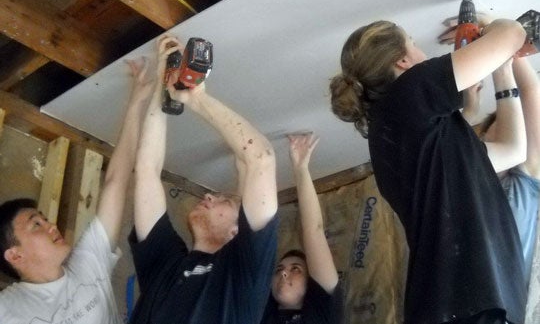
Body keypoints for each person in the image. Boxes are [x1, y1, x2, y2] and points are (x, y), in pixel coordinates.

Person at [329, 16, 528, 324]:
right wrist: (490, 26)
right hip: (468, 305)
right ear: (404, 61)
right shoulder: (406, 94)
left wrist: (502, 70)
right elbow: (513, 34)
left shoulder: (409, 133)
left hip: (462, 306)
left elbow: (514, 150)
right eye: (414, 43)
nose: (422, 53)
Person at [128, 35, 278, 324]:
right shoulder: (167, 263)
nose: (209, 196)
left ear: (238, 232)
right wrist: (164, 76)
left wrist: (194, 97)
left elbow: (261, 159)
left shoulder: (242, 277)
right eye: (219, 196)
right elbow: (148, 169)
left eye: (222, 200)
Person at [0, 57, 154, 323]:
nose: (51, 226)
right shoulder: (8, 308)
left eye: (44, 219)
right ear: (15, 255)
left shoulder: (88, 262)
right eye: (36, 224)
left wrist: (137, 101)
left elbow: (116, 182)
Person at [461, 56, 540, 285]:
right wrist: (468, 111)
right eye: (506, 128)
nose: (516, 135)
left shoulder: (523, 183)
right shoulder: (466, 182)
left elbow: (531, 91)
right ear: (484, 137)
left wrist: (497, 41)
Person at [261, 133, 343, 324]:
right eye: (280, 269)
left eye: (295, 269)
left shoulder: (323, 312)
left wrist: (301, 169)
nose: (283, 273)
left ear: (311, 283)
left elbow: (314, 231)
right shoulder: (259, 313)